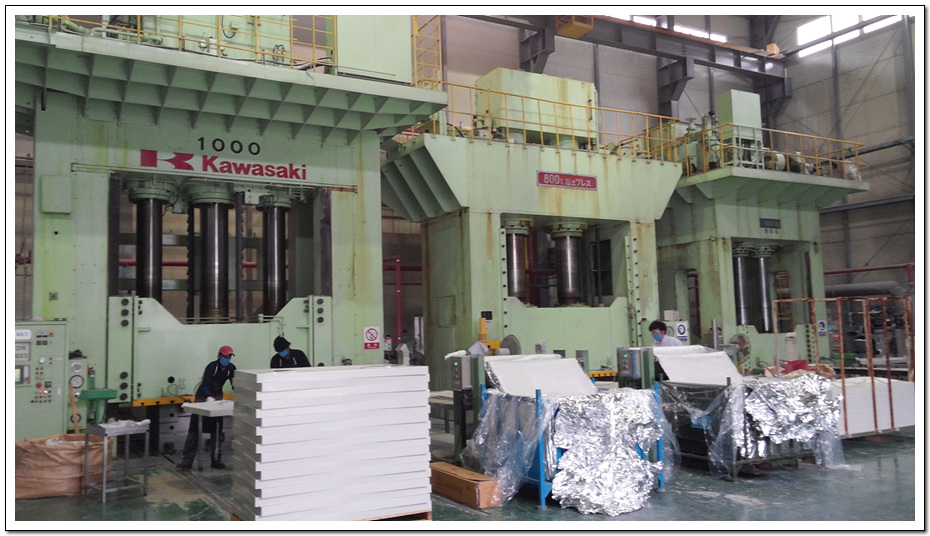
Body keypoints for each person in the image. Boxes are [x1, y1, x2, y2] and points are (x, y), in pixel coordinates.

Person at [177, 346, 236, 470]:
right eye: (225, 356)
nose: (227, 359)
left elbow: (235, 385)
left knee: (217, 430)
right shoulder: (211, 367)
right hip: (203, 397)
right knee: (195, 429)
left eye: (229, 356)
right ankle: (187, 460)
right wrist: (208, 397)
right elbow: (205, 384)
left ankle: (216, 459)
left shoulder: (231, 369)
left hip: (218, 397)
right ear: (219, 355)